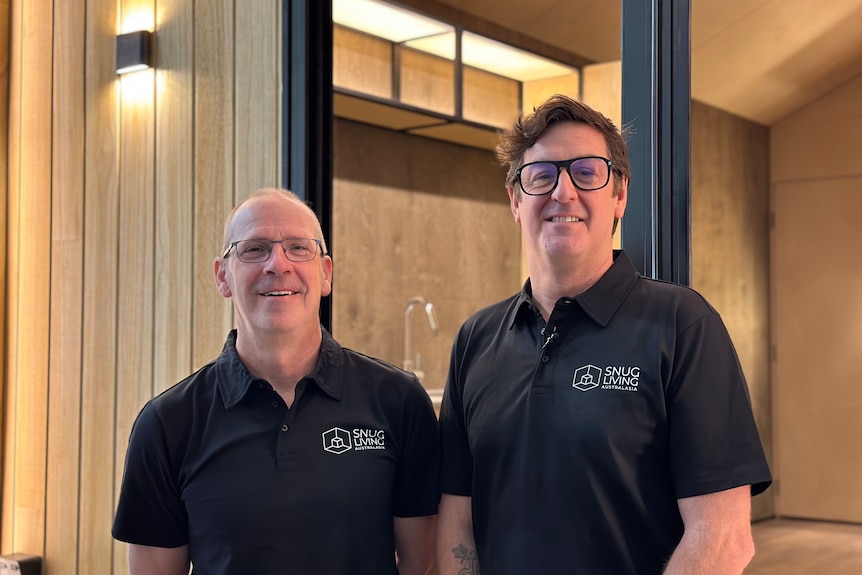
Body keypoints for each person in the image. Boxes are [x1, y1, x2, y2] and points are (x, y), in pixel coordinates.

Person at [436, 95, 772, 575]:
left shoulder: (682, 325)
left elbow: (723, 538)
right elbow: (457, 520)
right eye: (541, 175)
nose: (563, 192)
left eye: (587, 172)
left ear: (620, 195)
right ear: (515, 199)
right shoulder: (476, 339)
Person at [113, 188, 440, 575]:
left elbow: (422, 564)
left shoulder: (399, 402)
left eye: (299, 248)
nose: (278, 264)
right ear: (223, 277)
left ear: (326, 273)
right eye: (254, 249)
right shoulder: (167, 424)